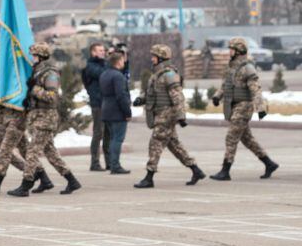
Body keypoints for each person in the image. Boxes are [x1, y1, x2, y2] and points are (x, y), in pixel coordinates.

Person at [8, 42, 81, 196]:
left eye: (34, 55)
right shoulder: (38, 72)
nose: (32, 58)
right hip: (38, 118)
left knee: (32, 152)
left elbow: (52, 96)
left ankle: (26, 185)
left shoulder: (50, 73)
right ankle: (71, 180)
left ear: (41, 57)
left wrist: (35, 89)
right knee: (51, 153)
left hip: (46, 118)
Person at [132, 45, 205, 188]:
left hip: (167, 115)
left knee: (155, 143)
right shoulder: (157, 75)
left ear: (160, 58)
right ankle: (196, 170)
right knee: (174, 145)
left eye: (154, 56)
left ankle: (149, 177)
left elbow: (178, 96)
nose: (151, 59)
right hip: (160, 113)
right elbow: (153, 94)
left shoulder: (170, 75)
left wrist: (181, 116)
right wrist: (142, 99)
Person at [210, 38, 278, 180]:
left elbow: (255, 89)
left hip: (244, 107)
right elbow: (225, 85)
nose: (229, 51)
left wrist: (261, 107)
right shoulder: (231, 68)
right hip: (234, 106)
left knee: (231, 137)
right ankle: (269, 163)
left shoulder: (248, 68)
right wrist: (217, 96)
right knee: (248, 140)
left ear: (239, 51)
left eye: (232, 49)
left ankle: (225, 170)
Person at [0, 46, 43, 195]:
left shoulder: (6, 71)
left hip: (9, 115)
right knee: (17, 149)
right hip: (3, 115)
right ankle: (40, 174)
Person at [99, 53, 131, 174]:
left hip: (106, 109)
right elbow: (121, 95)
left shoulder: (104, 74)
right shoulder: (118, 76)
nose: (124, 63)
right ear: (118, 62)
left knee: (112, 138)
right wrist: (127, 112)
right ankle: (115, 165)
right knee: (117, 139)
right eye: (123, 61)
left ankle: (112, 164)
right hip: (117, 111)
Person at [81, 42, 108, 171]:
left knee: (108, 133)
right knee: (98, 133)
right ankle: (95, 162)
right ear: (93, 52)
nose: (103, 52)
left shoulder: (104, 64)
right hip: (98, 103)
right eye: (100, 50)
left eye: (103, 50)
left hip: (107, 103)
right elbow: (104, 74)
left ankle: (110, 162)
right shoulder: (91, 67)